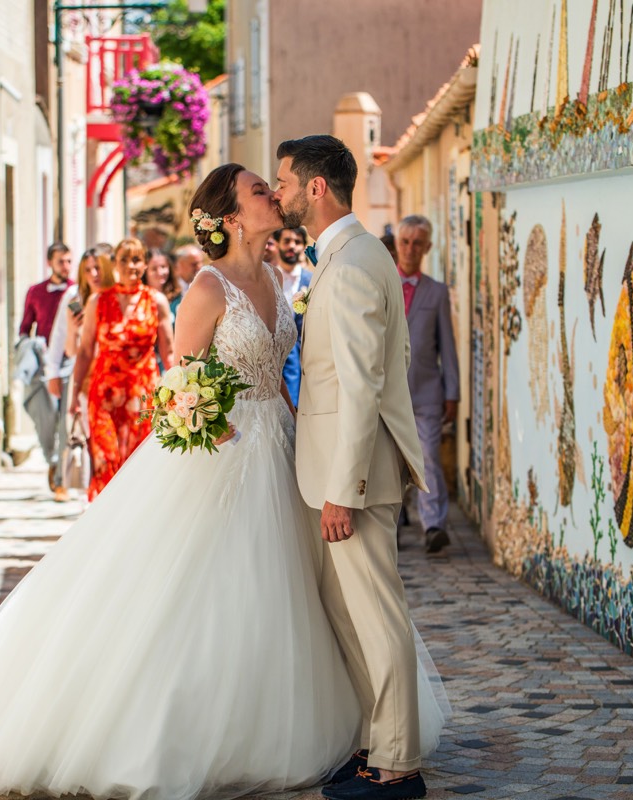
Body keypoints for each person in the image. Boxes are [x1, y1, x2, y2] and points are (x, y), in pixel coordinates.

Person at [0, 164, 446, 799]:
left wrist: (301, 438)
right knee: (211, 591)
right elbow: (183, 379)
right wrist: (218, 431)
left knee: (296, 593)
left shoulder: (277, 276)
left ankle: (330, 730)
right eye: (257, 190)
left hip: (283, 449)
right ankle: (188, 733)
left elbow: (279, 375)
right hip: (224, 454)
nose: (272, 194)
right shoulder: (207, 288)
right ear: (228, 217)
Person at [275, 135, 433, 800]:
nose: (277, 191)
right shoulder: (340, 257)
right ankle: (375, 740)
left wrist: (344, 490)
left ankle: (397, 764)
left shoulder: (357, 262)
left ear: (315, 188)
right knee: (348, 615)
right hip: (331, 473)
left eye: (283, 181)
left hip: (353, 478)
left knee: (377, 614)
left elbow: (364, 386)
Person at [70, 238, 174, 499]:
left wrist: (176, 391)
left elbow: (168, 352)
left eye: (137, 259)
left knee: (139, 464)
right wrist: (74, 394)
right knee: (106, 461)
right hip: (105, 395)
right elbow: (84, 352)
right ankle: (105, 528)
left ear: (144, 263)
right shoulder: (98, 301)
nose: (131, 266)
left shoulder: (156, 300)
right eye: (124, 260)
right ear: (115, 264)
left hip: (144, 395)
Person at [395, 216, 459, 555]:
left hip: (426, 393)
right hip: (388, 394)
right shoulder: (383, 283)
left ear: (427, 248)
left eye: (417, 243)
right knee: (391, 462)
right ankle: (392, 522)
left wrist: (453, 392)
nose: (410, 249)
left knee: (429, 458)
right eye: (405, 241)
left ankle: (434, 525)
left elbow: (447, 345)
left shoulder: (436, 292)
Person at [43, 247, 104, 501]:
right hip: (82, 374)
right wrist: (52, 373)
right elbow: (62, 342)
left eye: (98, 268)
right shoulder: (74, 296)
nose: (93, 274)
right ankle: (71, 484)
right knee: (76, 432)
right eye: (87, 269)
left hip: (113, 376)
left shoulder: (116, 295)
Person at [17, 242, 73, 491]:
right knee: (46, 420)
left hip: (69, 364)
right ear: (49, 262)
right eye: (61, 261)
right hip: (43, 366)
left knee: (66, 421)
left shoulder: (76, 291)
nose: (66, 266)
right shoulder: (36, 292)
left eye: (70, 261)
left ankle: (61, 474)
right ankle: (52, 459)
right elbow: (24, 328)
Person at [274, 226, 311, 407]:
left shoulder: (312, 281)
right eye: (287, 241)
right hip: (275, 365)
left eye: (297, 242)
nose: (292, 246)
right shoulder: (268, 278)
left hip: (306, 365)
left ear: (304, 246)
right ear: (278, 244)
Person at [143, 247, 182, 319]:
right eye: (154, 269)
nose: (160, 272)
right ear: (145, 271)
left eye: (163, 267)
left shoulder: (177, 296)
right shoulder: (140, 297)